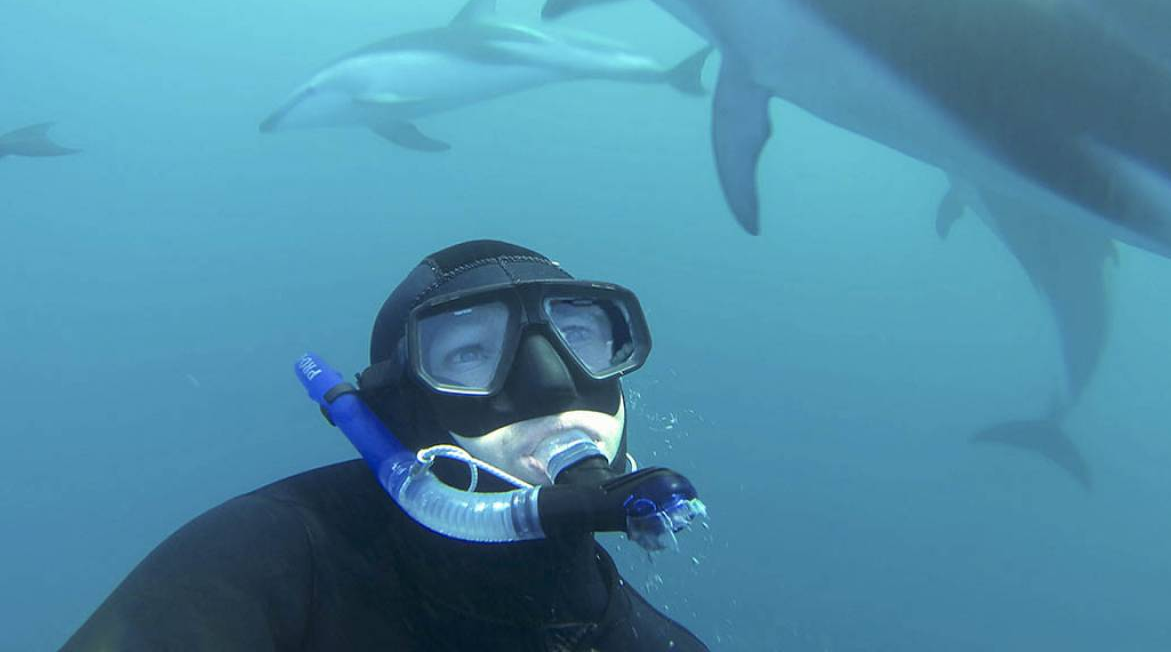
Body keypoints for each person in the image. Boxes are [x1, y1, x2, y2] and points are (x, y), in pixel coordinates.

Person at [62, 239, 710, 651]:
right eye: (472, 352)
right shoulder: (273, 559)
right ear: (404, 410)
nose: (552, 382)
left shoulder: (647, 641)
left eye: (580, 336)